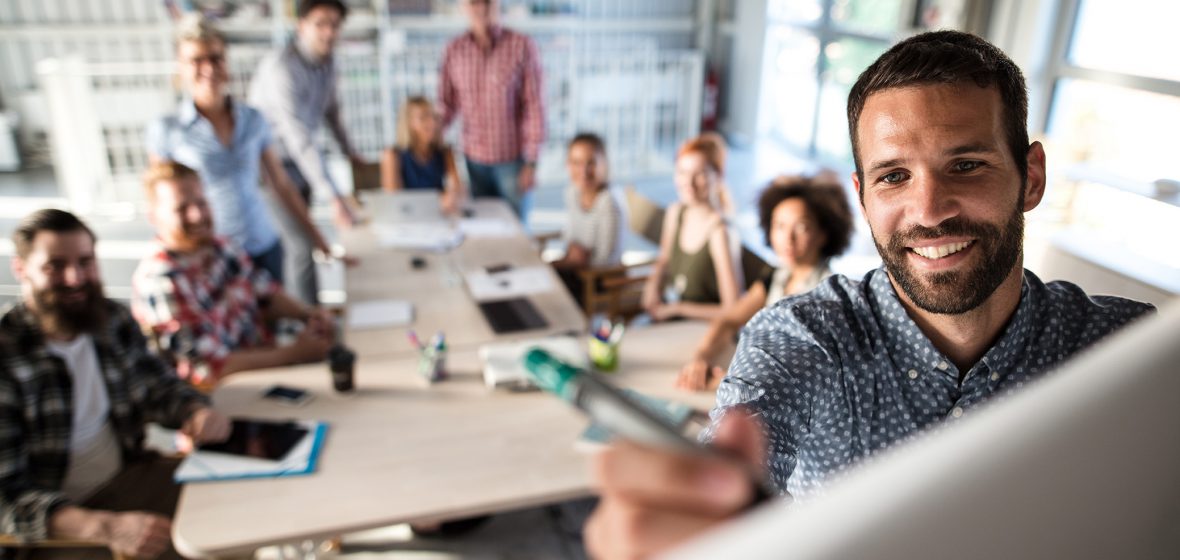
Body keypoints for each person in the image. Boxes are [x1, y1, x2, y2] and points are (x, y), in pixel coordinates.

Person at [585, 30, 1156, 559]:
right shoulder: (801, 338)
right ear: (863, 198)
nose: (930, 211)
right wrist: (701, 513)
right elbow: (746, 435)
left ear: (1031, 177)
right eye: (894, 176)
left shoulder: (1133, 354)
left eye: (966, 165)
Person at [0, 209, 230, 560]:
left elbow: (159, 387)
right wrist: (106, 527)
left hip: (129, 476)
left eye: (86, 262)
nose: (76, 278)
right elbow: (6, 497)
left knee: (238, 504)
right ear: (21, 269)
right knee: (197, 545)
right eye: (55, 266)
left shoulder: (112, 320)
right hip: (58, 527)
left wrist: (195, 410)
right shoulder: (7, 355)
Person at [146, 14, 342, 294]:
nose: (209, 68)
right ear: (181, 66)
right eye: (196, 60)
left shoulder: (253, 119)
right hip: (210, 255)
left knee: (275, 327)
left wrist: (318, 238)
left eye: (216, 58)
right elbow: (160, 205)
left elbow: (281, 185)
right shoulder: (167, 130)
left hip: (263, 245)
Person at [131, 161, 336, 387]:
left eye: (201, 202)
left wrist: (309, 315)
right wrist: (296, 353)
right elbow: (210, 368)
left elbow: (266, 294)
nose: (197, 215)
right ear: (153, 217)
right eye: (181, 208)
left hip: (266, 369)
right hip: (226, 395)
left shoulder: (221, 247)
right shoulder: (160, 280)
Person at [675, 175, 854, 391]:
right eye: (779, 226)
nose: (788, 238)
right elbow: (729, 319)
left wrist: (732, 384)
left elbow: (811, 375)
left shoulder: (829, 293)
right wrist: (701, 358)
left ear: (824, 234)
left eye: (802, 227)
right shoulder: (775, 275)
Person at [249, 0, 366, 305]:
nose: (329, 32)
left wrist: (350, 153)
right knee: (301, 245)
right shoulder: (281, 68)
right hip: (270, 168)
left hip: (300, 165)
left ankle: (312, 315)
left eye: (335, 24)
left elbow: (332, 112)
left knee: (308, 244)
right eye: (320, 23)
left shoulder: (328, 63)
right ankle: (308, 326)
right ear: (301, 25)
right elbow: (299, 137)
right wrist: (333, 196)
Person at [438, 0, 545, 221]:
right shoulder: (454, 49)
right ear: (463, 6)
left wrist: (532, 162)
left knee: (515, 230)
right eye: (473, 3)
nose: (480, 7)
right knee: (483, 228)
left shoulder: (522, 45)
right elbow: (445, 105)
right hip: (473, 161)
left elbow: (535, 107)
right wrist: (425, 141)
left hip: (513, 162)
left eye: (487, 1)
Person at [641, 134, 742, 322]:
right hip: (670, 317)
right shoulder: (675, 212)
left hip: (704, 329)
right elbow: (664, 260)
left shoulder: (721, 232)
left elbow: (733, 309)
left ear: (718, 176)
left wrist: (677, 309)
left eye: (700, 174)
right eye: (682, 172)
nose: (689, 182)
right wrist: (652, 286)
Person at [551, 132, 625, 307]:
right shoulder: (572, 192)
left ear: (604, 164)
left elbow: (606, 259)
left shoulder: (609, 202)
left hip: (600, 279)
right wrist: (572, 255)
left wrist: (574, 260)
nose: (583, 171)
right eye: (576, 163)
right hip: (576, 269)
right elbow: (570, 236)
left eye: (591, 163)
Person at [380, 96, 465, 214]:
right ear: (408, 123)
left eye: (434, 116)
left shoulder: (445, 152)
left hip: (439, 216)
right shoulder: (392, 155)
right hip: (409, 218)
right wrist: (439, 201)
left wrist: (453, 194)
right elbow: (394, 200)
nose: (432, 122)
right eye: (423, 117)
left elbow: (457, 188)